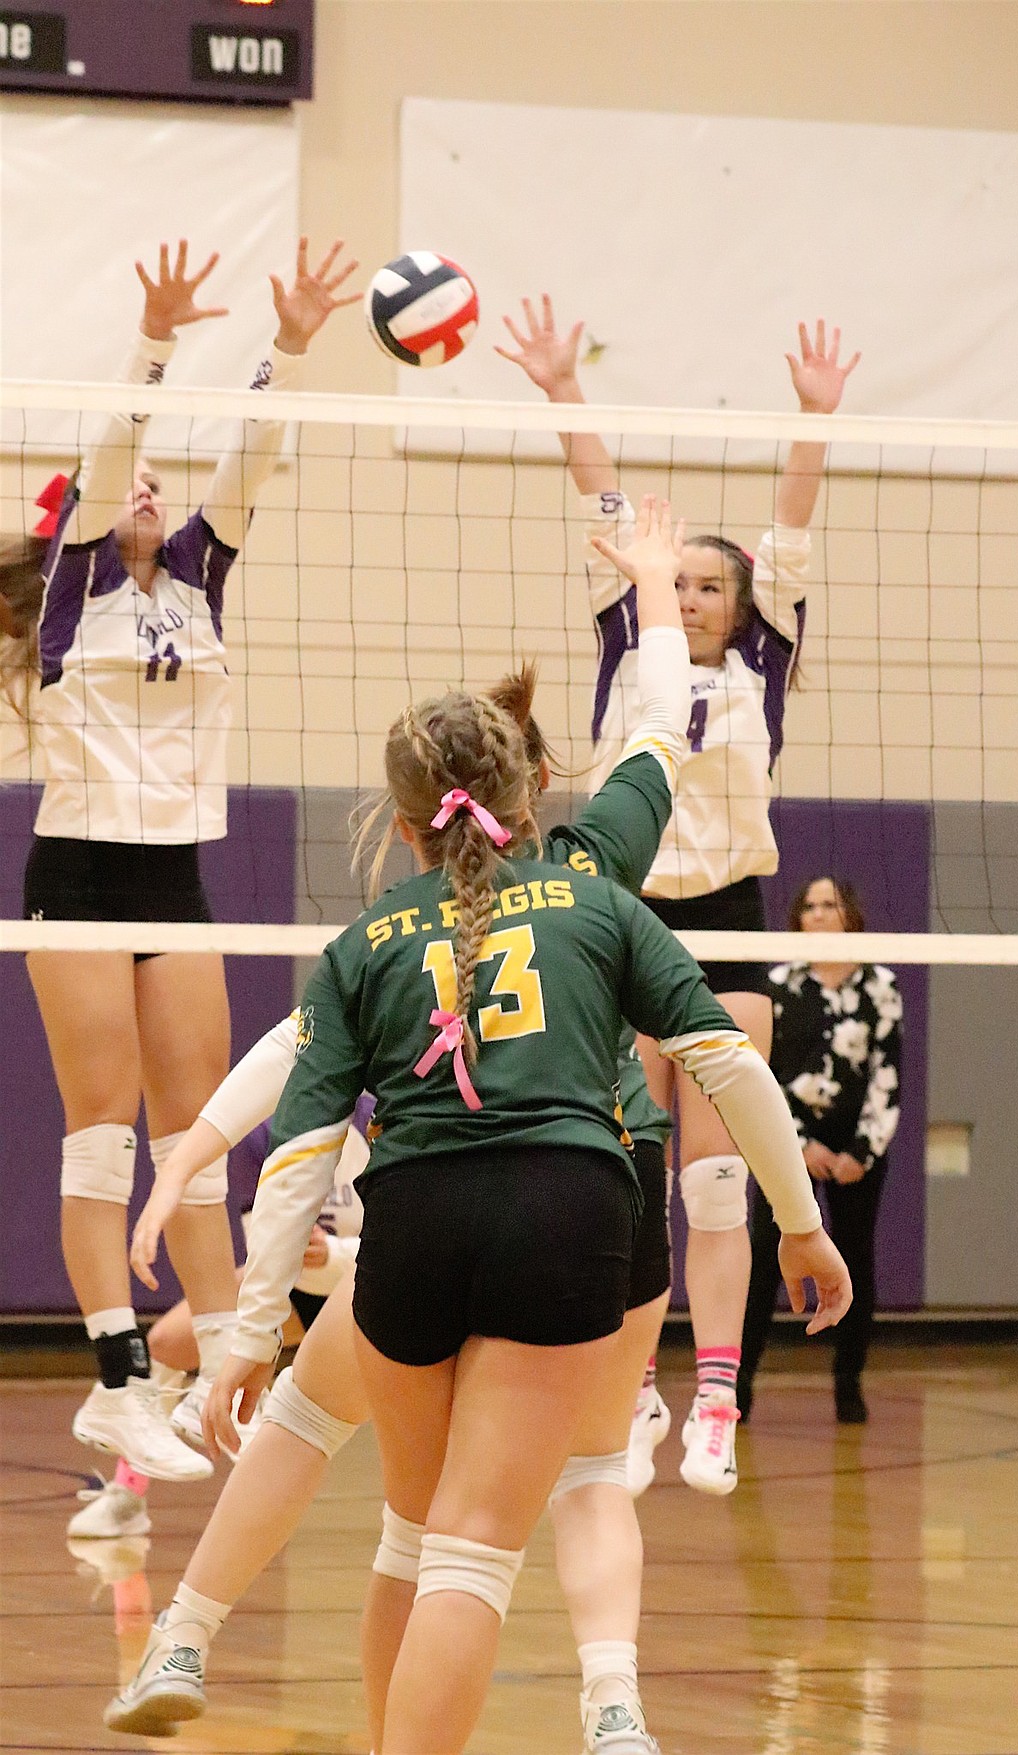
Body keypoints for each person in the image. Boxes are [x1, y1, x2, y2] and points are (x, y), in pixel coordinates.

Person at [108, 512, 851, 1755]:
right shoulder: (597, 882)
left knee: (375, 1493)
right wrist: (657, 597)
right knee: (480, 1544)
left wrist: (239, 1332)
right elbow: (667, 748)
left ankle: (188, 1627)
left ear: (406, 825)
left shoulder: (373, 938)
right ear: (534, 785)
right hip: (577, 1216)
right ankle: (611, 1703)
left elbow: (294, 1148)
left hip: (411, 1226)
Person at [0, 236, 360, 1483]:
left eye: (161, 482)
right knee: (100, 1133)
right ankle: (113, 1385)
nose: (151, 490)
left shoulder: (202, 572)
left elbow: (250, 458)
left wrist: (293, 343)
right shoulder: (68, 595)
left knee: (196, 1131)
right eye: (134, 482)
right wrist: (152, 345)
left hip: (176, 873)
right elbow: (109, 457)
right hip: (81, 876)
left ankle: (220, 1361)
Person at [496, 298, 860, 1495]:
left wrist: (813, 421)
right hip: (621, 914)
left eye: (713, 584)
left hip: (728, 919)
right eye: (683, 582)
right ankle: (631, 1390)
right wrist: (561, 391)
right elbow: (603, 505)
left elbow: (791, 530)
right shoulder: (626, 650)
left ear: (744, 606)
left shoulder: (764, 661)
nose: (694, 595)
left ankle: (716, 1397)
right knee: (625, 1167)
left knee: (718, 1173)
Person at [67, 1112, 369, 1541]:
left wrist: (336, 1253)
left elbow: (412, 1237)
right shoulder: (264, 1133)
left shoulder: (380, 1113)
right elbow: (261, 1238)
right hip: (295, 1285)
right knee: (167, 1343)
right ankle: (128, 1494)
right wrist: (293, 1253)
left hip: (373, 1280)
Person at [738, 877, 903, 1425]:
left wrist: (861, 1150)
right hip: (787, 1147)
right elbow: (763, 1074)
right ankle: (737, 1391)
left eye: (828, 905)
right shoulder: (779, 987)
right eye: (808, 907)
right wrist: (797, 1146)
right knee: (763, 1265)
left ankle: (848, 1386)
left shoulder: (881, 987)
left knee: (855, 1261)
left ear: (849, 915)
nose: (818, 915)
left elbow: (888, 1075)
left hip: (857, 1151)